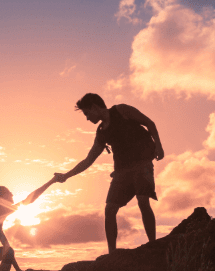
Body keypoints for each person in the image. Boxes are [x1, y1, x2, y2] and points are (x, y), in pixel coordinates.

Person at [54, 93, 164, 254]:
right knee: (110, 209)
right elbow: (88, 160)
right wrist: (66, 175)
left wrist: (159, 146)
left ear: (94, 107)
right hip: (121, 172)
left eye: (86, 113)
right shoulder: (101, 133)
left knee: (142, 201)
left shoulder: (122, 110)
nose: (86, 118)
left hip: (142, 163)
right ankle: (112, 253)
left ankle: (153, 245)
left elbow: (149, 123)